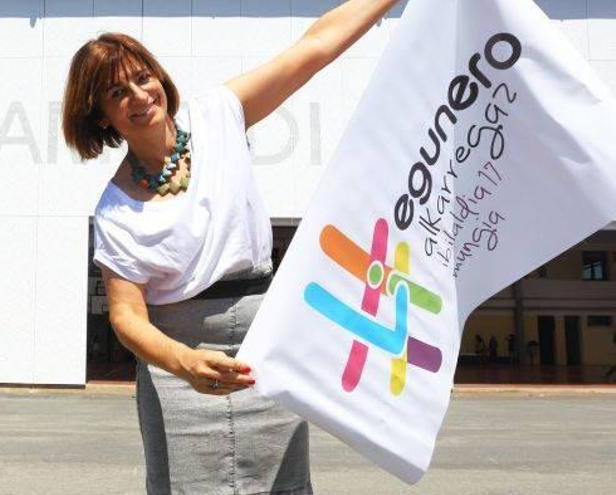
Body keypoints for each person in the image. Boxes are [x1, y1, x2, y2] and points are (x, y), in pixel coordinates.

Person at [62, 1, 399, 492]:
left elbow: (314, 48)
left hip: (266, 354)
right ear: (101, 117)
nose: (139, 95)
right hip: (178, 371)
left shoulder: (219, 115)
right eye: (118, 92)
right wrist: (184, 363)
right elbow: (127, 316)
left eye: (143, 77)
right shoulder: (115, 210)